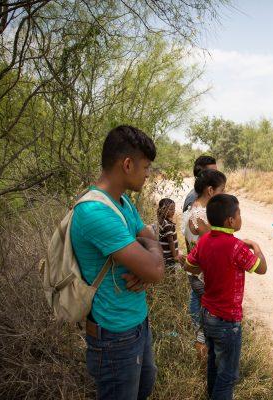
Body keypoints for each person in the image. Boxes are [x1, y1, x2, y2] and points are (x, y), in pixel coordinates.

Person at [70, 125, 165, 400]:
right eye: (146, 167)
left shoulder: (122, 202)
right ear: (127, 164)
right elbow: (158, 269)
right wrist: (148, 262)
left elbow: (152, 240)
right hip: (114, 336)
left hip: (137, 323)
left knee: (145, 386)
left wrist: (148, 257)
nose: (148, 174)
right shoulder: (95, 211)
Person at [184, 193, 267, 400]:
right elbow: (261, 268)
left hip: (208, 314)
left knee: (214, 365)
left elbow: (189, 265)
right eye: (239, 214)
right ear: (230, 221)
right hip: (227, 320)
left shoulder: (204, 241)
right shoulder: (237, 246)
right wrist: (256, 247)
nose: (240, 217)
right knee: (228, 375)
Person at [182, 169, 227, 358]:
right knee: (206, 327)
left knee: (204, 324)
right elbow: (216, 247)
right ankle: (205, 370)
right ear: (210, 190)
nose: (224, 194)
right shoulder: (201, 215)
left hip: (198, 274)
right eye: (222, 190)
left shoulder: (194, 208)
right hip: (204, 277)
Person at [157, 198, 181, 270]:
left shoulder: (163, 221)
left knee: (168, 273)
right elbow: (170, 241)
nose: (173, 211)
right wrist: (175, 256)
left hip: (165, 255)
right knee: (171, 274)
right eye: (171, 209)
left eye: (174, 209)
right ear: (163, 210)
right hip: (169, 257)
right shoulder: (167, 225)